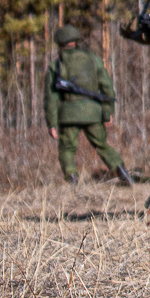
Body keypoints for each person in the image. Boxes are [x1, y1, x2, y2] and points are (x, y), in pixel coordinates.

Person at [45, 25, 133, 186]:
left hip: (69, 115)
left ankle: (72, 180)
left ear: (60, 44)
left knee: (67, 149)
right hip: (93, 112)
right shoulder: (94, 60)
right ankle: (122, 172)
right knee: (102, 145)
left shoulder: (56, 66)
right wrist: (107, 112)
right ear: (76, 42)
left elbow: (50, 98)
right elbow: (107, 87)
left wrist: (52, 123)